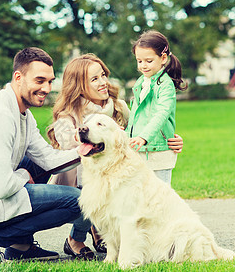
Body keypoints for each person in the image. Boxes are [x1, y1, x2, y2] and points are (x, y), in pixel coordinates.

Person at [0, 47, 84, 263]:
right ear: (18, 77)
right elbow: (1, 187)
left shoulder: (23, 114)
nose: (46, 88)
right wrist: (21, 175)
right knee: (77, 202)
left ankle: (20, 247)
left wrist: (85, 150)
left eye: (50, 81)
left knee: (36, 164)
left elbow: (48, 159)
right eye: (39, 80)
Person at [46, 53, 184, 259]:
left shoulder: (118, 106)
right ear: (78, 85)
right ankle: (76, 238)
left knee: (124, 190)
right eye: (94, 79)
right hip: (78, 177)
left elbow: (140, 132)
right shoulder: (68, 116)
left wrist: (169, 140)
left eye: (103, 75)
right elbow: (69, 147)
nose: (103, 82)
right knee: (91, 195)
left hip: (114, 175)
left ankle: (109, 232)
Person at [126, 30, 188, 184]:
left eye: (148, 61)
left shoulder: (165, 85)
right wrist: (128, 136)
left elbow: (161, 114)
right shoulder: (141, 82)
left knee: (160, 195)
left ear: (163, 58)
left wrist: (143, 137)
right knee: (141, 195)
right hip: (140, 150)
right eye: (139, 61)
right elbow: (135, 116)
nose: (143, 66)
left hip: (159, 150)